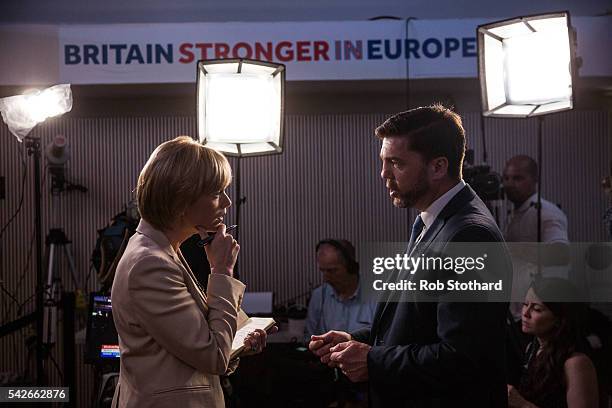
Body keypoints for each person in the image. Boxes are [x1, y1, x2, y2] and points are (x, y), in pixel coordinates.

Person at [309, 104, 511, 407]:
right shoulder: (429, 220)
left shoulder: (470, 235)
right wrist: (359, 341)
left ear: (438, 167)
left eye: (396, 164)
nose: (383, 174)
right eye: (383, 162)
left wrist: (373, 359)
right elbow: (420, 323)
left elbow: (463, 358)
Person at [111, 136, 270, 408]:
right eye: (217, 192)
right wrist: (222, 270)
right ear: (181, 197)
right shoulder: (149, 263)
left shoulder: (162, 250)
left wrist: (237, 343)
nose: (228, 203)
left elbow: (190, 346)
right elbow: (212, 356)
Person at [508, 278, 598, 408]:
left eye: (537, 309)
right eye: (525, 304)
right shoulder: (533, 348)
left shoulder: (576, 363)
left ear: (559, 318)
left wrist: (522, 405)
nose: (525, 313)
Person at [304, 239, 375, 344]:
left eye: (332, 271)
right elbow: (308, 338)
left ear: (351, 267)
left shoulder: (376, 294)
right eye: (322, 271)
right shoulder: (319, 296)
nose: (326, 278)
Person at [503, 155, 569, 245]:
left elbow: (558, 251)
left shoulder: (547, 213)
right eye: (506, 178)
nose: (509, 184)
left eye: (517, 178)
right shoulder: (515, 214)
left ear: (535, 179)